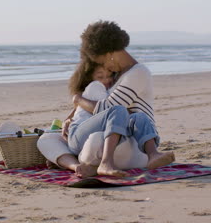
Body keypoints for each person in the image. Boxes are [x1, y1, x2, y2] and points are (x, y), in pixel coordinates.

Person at [37, 20, 174, 178]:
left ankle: (94, 162)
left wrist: (78, 99)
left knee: (95, 139)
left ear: (108, 54)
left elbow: (109, 107)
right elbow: (102, 111)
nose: (104, 68)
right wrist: (71, 117)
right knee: (46, 139)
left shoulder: (138, 72)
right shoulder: (115, 76)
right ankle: (78, 166)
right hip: (114, 138)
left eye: (101, 61)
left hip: (135, 144)